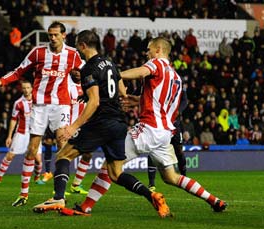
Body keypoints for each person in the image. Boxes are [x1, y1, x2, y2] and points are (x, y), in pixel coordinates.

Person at [71, 36, 227, 216]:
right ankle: (214, 200)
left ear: (159, 50)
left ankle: (86, 206)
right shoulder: (176, 77)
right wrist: (138, 101)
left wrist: (113, 74)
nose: (147, 53)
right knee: (171, 177)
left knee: (110, 166)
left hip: (148, 128)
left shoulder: (157, 64)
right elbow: (163, 103)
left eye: (149, 49)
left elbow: (140, 72)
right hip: (165, 133)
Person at [32, 29, 168, 218]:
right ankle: (152, 195)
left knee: (63, 155)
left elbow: (94, 101)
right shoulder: (111, 63)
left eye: (78, 46)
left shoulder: (88, 68)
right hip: (118, 124)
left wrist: (73, 126)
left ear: (82, 46)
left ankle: (58, 197)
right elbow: (121, 91)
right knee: (116, 173)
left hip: (101, 122)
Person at [0, 21, 83, 207]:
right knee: (32, 150)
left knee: (63, 146)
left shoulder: (73, 54)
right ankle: (23, 194)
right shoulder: (38, 52)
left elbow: (86, 71)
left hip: (61, 105)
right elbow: (19, 71)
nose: (52, 38)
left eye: (56, 35)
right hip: (40, 106)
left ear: (64, 36)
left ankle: (59, 194)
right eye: (49, 35)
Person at [0, 81, 44, 186]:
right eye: (24, 88)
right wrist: (9, 136)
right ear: (22, 89)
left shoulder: (38, 100)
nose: (26, 90)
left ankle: (37, 178)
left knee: (38, 160)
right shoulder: (18, 103)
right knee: (10, 156)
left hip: (34, 133)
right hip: (21, 133)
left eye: (28, 87)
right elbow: (14, 119)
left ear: (32, 88)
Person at [147, 91, 188, 191]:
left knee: (179, 151)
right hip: (160, 124)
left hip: (174, 124)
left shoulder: (177, 84)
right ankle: (151, 183)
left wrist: (179, 110)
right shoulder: (158, 83)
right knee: (153, 150)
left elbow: (185, 100)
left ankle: (184, 178)